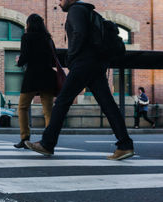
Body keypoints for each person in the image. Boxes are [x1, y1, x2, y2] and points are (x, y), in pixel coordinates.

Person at [25, 0, 135, 160]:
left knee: (62, 101)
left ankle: (47, 144)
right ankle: (125, 145)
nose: (59, 2)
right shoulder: (87, 11)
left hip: (83, 63)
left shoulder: (76, 10)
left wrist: (72, 57)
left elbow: (79, 33)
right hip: (95, 64)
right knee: (108, 104)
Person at [14, 14, 57, 149]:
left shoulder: (27, 37)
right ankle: (49, 140)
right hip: (48, 76)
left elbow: (25, 56)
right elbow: (53, 59)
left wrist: (18, 61)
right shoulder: (48, 39)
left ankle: (25, 137)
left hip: (32, 76)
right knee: (48, 111)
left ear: (29, 24)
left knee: (22, 107)